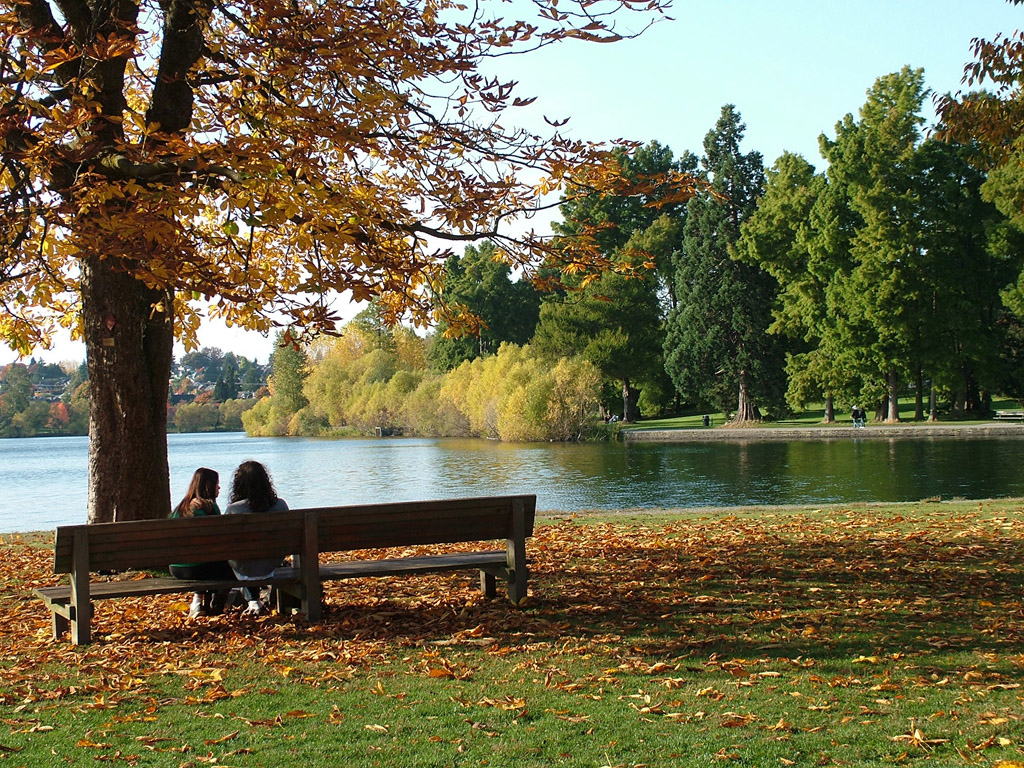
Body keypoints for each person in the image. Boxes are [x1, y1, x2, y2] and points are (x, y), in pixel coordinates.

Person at [169, 467, 235, 618]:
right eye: (217, 484)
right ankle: (217, 602)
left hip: (176, 568)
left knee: (204, 560)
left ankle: (197, 602)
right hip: (199, 568)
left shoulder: (179, 509)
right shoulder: (210, 507)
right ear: (209, 486)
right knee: (233, 566)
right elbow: (219, 541)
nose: (219, 487)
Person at [225, 461, 289, 615]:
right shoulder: (280, 506)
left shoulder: (234, 510)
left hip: (242, 567)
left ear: (238, 484)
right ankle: (254, 600)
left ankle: (253, 601)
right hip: (271, 563)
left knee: (243, 557)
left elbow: (226, 542)